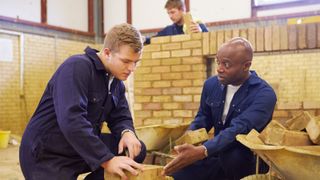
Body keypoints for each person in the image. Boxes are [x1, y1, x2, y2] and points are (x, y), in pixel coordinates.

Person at [19, 23, 146, 180]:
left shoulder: (116, 82)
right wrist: (107, 160)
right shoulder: (77, 67)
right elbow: (72, 121)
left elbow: (120, 116)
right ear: (107, 53)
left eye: (136, 62)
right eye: (126, 61)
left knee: (135, 149)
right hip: (48, 155)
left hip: (78, 148)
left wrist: (127, 132)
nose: (132, 68)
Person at [162, 37, 277, 180]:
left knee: (233, 156)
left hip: (245, 160)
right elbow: (203, 117)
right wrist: (188, 142)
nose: (219, 69)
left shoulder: (264, 94)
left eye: (226, 64)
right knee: (179, 172)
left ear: (246, 66)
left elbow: (240, 129)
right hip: (214, 152)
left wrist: (202, 150)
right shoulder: (211, 85)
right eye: (218, 62)